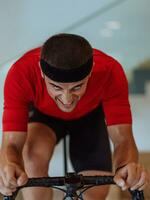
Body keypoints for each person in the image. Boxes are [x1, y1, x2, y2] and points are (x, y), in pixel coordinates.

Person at [0, 33, 149, 200]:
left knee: (95, 193)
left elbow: (123, 139)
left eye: (77, 87)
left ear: (91, 71)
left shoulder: (110, 70)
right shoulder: (21, 72)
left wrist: (125, 166)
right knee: (32, 158)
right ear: (41, 72)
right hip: (44, 116)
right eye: (56, 87)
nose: (67, 100)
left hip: (89, 114)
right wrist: (10, 166)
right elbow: (11, 143)